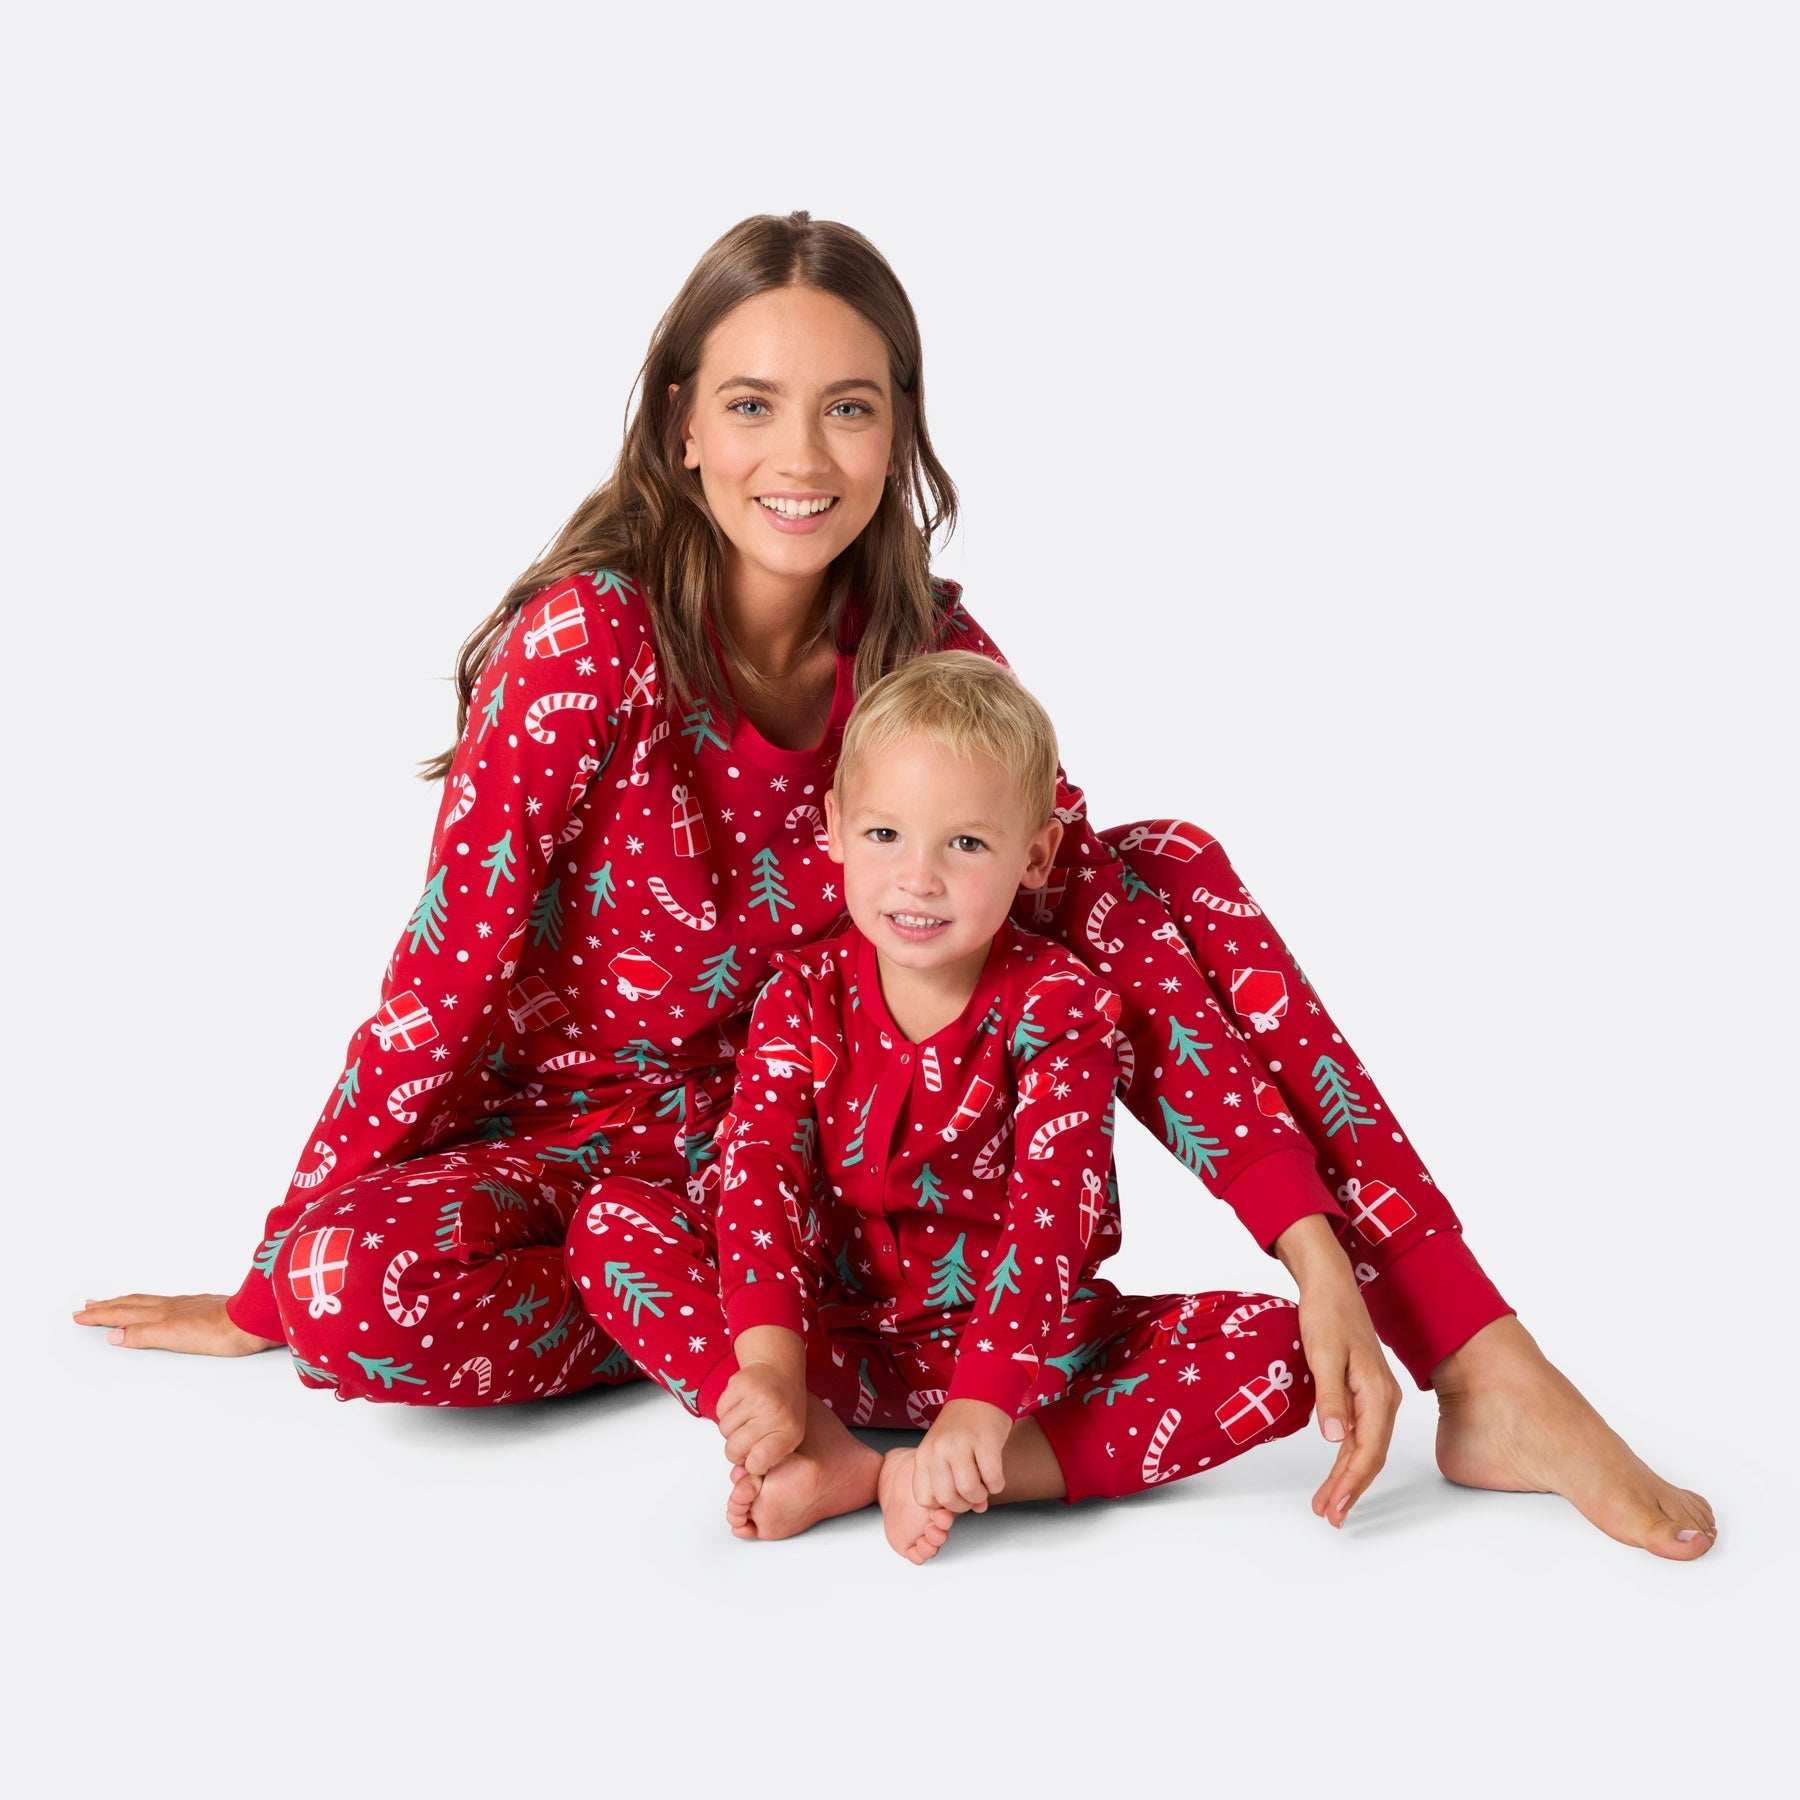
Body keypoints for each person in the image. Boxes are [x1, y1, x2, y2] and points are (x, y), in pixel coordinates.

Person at [75, 209, 1713, 1557]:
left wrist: (1311, 1243)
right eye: (753, 404)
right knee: (343, 1288)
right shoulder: (590, 649)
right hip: (600, 1178)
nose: (801, 453)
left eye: (849, 408)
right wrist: (270, 1277)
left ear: (900, 430)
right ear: (681, 427)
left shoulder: (928, 652)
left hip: (833, 1174)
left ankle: (1473, 1348)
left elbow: (1093, 919)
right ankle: (781, 1378)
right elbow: (442, 974)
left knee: (1153, 874)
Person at [576, 650, 1334, 1560]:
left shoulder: (1059, 1007)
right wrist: (770, 1368)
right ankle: (811, 1443)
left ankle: (972, 1471)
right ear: (835, 829)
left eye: (965, 844)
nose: (918, 877)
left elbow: (1052, 1218)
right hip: (826, 1345)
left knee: (1286, 1350)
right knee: (611, 1223)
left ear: (1035, 855)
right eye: (885, 834)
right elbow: (759, 1180)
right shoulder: (801, 995)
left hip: (1028, 1356)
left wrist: (982, 1404)